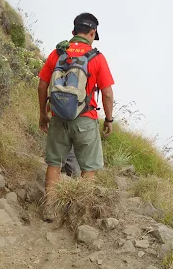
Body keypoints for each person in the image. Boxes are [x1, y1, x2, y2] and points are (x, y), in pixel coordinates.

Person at [38, 12, 115, 222]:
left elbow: (43, 85)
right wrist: (108, 119)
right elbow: (107, 94)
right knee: (88, 167)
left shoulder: (58, 53)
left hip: (58, 117)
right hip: (85, 119)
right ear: (92, 33)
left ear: (73, 32)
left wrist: (43, 114)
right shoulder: (96, 57)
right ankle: (80, 213)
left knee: (54, 163)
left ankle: (49, 209)